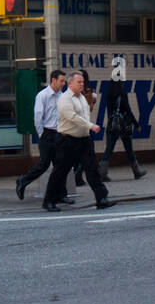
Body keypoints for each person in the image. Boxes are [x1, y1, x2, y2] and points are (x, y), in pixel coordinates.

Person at [42, 72, 115, 211]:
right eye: (79, 82)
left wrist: (88, 129)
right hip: (67, 140)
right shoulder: (64, 99)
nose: (82, 84)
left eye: (83, 82)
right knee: (60, 171)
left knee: (92, 169)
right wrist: (91, 126)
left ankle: (102, 198)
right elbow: (72, 117)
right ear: (70, 84)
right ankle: (49, 201)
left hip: (84, 140)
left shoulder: (82, 98)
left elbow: (84, 115)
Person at [16, 70, 70, 202]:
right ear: (53, 80)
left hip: (59, 133)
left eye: (64, 81)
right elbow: (38, 117)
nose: (64, 83)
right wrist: (42, 134)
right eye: (61, 81)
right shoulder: (43, 95)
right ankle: (23, 181)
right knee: (44, 164)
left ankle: (61, 194)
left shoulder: (62, 96)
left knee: (61, 165)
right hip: (47, 133)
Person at [100, 78, 147, 181]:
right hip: (124, 126)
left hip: (112, 125)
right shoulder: (122, 93)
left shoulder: (109, 93)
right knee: (129, 149)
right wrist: (136, 124)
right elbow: (128, 110)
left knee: (109, 149)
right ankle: (137, 171)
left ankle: (102, 173)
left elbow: (109, 111)